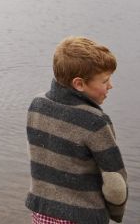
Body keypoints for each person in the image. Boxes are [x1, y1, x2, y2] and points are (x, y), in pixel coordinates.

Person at [26, 36, 127, 224]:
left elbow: (39, 154)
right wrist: (116, 213)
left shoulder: (36, 105)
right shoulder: (95, 121)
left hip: (42, 213)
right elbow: (115, 182)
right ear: (79, 84)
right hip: (83, 217)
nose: (110, 86)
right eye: (105, 81)